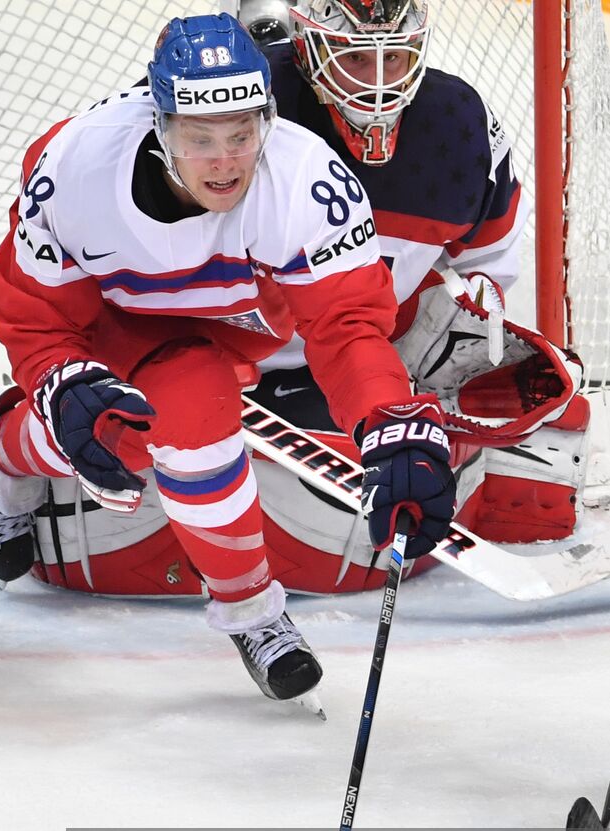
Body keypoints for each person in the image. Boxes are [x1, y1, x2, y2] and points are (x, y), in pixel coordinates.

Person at [0, 13, 457, 708]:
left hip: (236, 326)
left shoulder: (308, 179)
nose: (224, 161)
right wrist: (59, 378)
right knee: (146, 421)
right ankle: (251, 610)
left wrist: (389, 420)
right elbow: (35, 316)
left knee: (158, 419)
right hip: (112, 315)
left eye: (242, 134)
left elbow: (348, 329)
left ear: (267, 120)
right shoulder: (75, 167)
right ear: (158, 126)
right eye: (198, 138)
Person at [232, 0, 588, 550]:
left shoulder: (459, 125)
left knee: (551, 408)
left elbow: (485, 267)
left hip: (361, 352)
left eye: (394, 58)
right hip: (225, 349)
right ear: (307, 47)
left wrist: (457, 331)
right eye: (355, 58)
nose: (377, 84)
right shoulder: (238, 109)